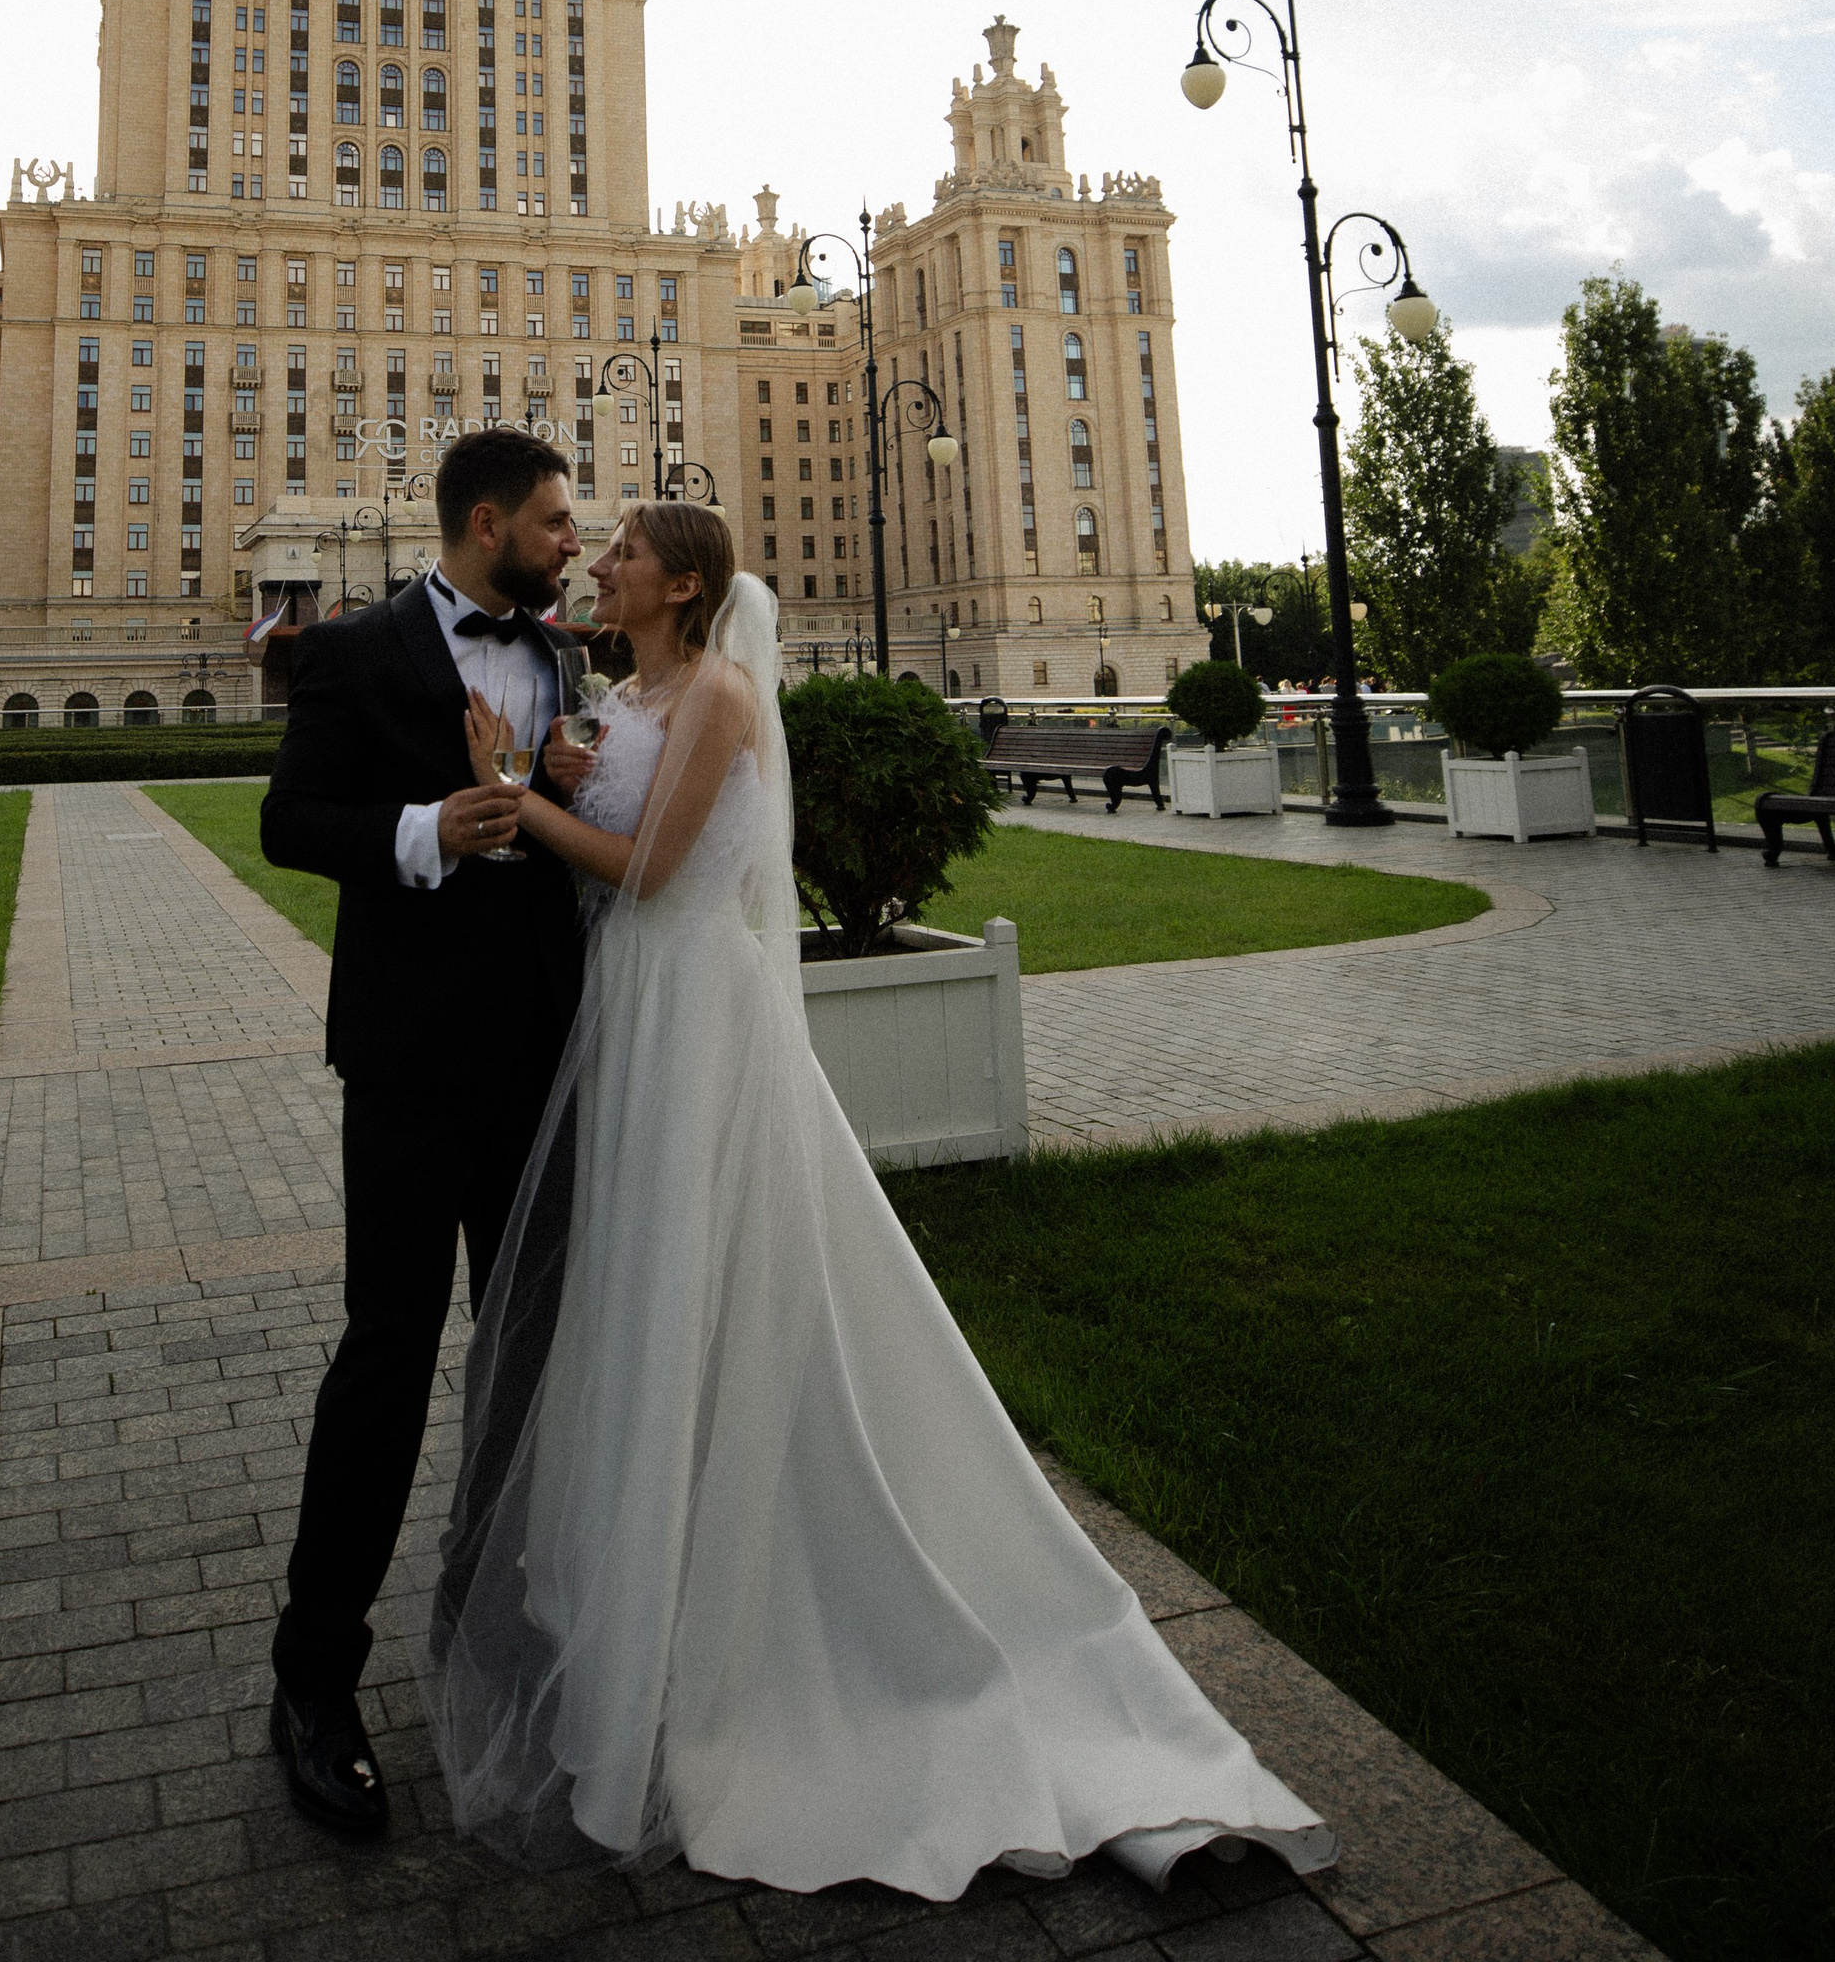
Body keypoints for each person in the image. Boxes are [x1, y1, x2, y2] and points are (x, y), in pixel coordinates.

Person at [427, 503, 1337, 1902]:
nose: (597, 564)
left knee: (716, 1264)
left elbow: (653, 872)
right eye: (595, 549)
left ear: (684, 582)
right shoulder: (629, 697)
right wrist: (562, 770)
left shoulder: (722, 695)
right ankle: (649, 1574)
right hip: (635, 1012)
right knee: (647, 1282)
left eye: (623, 554)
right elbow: (619, 831)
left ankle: (777, 1605)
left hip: (698, 1011)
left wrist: (516, 798)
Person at [259, 426, 595, 1836]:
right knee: (387, 1360)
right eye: (555, 520)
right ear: (485, 523)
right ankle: (313, 1680)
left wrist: (557, 788)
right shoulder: (353, 651)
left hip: (540, 1066)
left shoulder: (562, 656)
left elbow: (564, 832)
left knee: (526, 1356)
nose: (572, 541)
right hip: (408, 1069)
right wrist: (422, 833)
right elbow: (290, 822)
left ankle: (496, 1628)